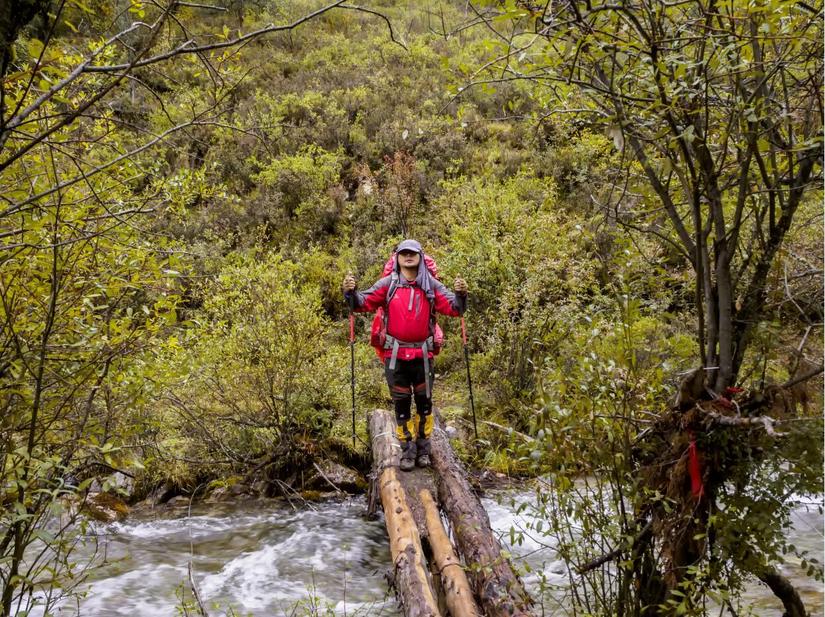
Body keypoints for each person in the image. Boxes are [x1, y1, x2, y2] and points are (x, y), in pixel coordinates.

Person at [343, 239, 468, 471]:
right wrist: (350, 293)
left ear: (420, 257)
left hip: (423, 356)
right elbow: (362, 303)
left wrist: (461, 296)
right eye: (403, 253)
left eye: (412, 253)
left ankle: (424, 449)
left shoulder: (431, 285)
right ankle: (407, 451)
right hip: (395, 357)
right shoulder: (388, 284)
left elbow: (454, 308)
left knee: (424, 405)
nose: (408, 257)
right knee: (401, 406)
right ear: (397, 258)